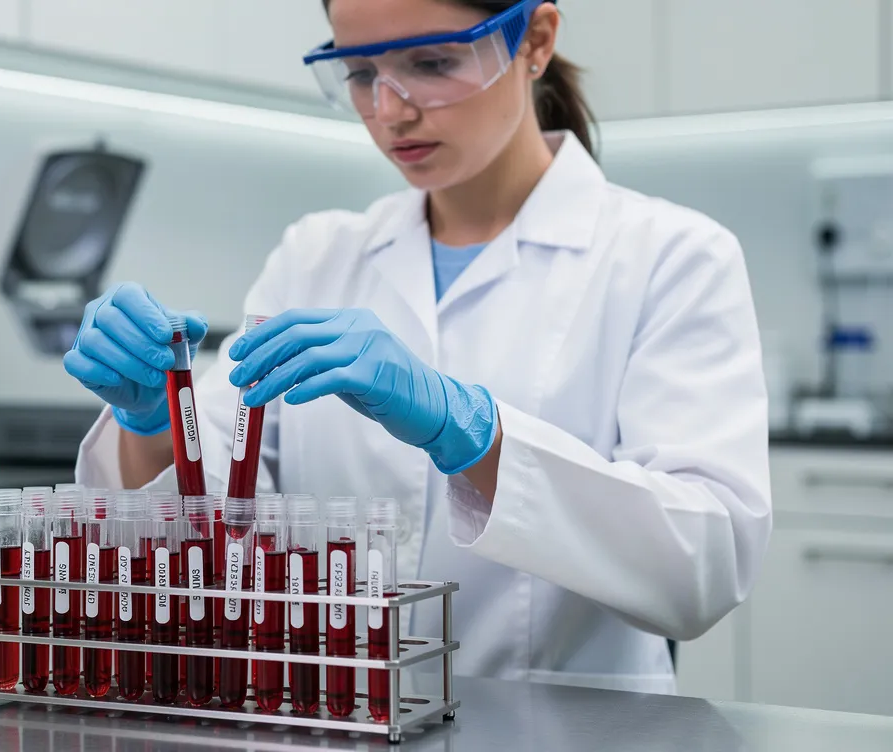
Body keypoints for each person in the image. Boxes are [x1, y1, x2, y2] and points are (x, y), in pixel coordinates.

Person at [63, 0, 771, 694]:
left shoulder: (671, 257)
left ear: (535, 39)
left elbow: (704, 567)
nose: (391, 110)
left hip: (566, 733)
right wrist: (157, 428)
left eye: (431, 62)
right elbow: (220, 528)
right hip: (331, 715)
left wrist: (475, 435)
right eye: (361, 73)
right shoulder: (315, 256)